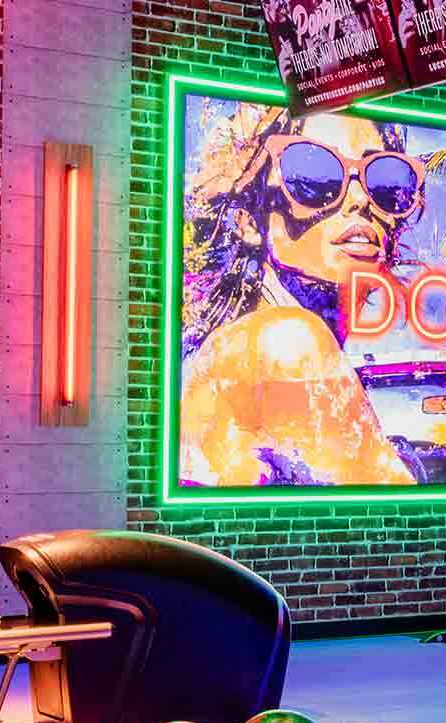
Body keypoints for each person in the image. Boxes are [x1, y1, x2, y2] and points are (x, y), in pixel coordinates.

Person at [180, 107, 425, 487]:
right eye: (315, 176)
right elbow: (402, 525)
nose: (359, 200)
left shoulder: (236, 347)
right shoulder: (284, 341)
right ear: (249, 221)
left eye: (385, 182)